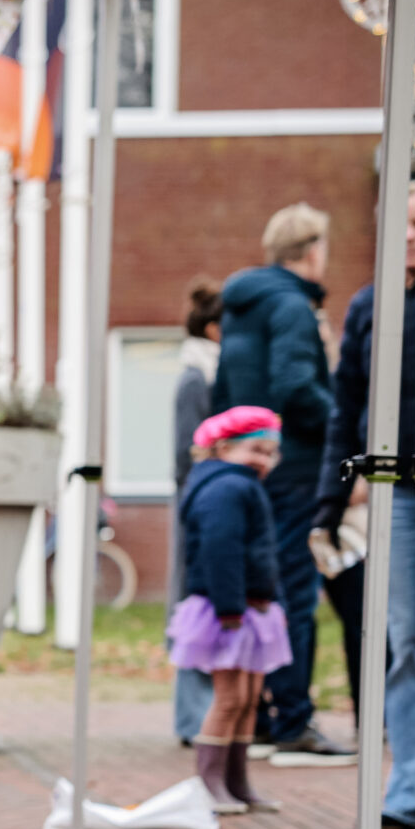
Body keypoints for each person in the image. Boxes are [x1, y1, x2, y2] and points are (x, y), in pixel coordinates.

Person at [318, 183, 415, 829]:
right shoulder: (369, 305)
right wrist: (327, 505)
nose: (406, 235)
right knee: (406, 640)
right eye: (396, 225)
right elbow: (344, 408)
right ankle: (410, 786)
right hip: (397, 490)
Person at [211, 203, 354, 766]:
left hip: (251, 466)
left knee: (260, 589)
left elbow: (226, 392)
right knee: (294, 591)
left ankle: (264, 719)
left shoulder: (241, 306)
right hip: (294, 468)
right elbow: (295, 386)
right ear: (313, 250)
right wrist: (343, 427)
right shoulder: (293, 306)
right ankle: (294, 722)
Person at [171, 407, 291, 812]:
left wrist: (271, 601)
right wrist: (229, 610)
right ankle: (209, 786)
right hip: (227, 610)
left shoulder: (244, 485)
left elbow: (262, 555)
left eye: (271, 453)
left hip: (252, 607)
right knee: (229, 698)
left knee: (249, 698)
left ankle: (237, 783)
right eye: (255, 449)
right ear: (223, 448)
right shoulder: (225, 488)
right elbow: (220, 550)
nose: (264, 461)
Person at [171, 278, 223, 745]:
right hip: (199, 505)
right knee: (195, 602)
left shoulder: (209, 373)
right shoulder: (196, 378)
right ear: (213, 330)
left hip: (206, 499)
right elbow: (186, 453)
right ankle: (192, 720)